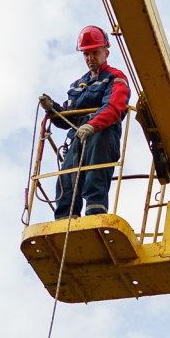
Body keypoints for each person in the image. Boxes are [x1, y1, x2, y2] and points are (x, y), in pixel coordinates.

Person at [39, 26, 131, 220]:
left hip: (102, 136)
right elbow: (67, 117)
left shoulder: (115, 78)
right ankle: (64, 220)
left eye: (95, 53)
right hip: (78, 139)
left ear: (106, 52)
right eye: (86, 54)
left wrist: (93, 124)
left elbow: (114, 107)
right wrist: (53, 108)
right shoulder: (77, 85)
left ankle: (94, 216)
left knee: (94, 176)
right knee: (66, 180)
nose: (90, 58)